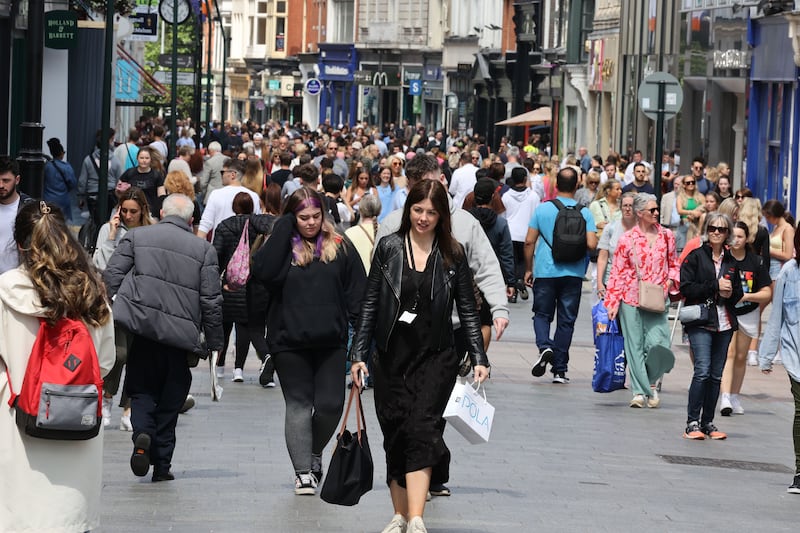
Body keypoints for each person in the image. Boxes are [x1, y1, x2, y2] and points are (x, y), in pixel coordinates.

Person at [349, 180, 488, 533]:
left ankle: (416, 519)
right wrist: (358, 354)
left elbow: (469, 310)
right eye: (418, 210)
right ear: (408, 209)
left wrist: (479, 356)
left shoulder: (453, 254)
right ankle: (398, 516)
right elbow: (370, 303)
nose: (423, 218)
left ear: (441, 215)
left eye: (431, 212)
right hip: (391, 357)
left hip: (436, 358)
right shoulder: (389, 248)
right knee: (396, 433)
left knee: (422, 431)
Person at [0, 200, 115, 531]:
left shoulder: (6, 291)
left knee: (18, 515)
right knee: (67, 518)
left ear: (20, 244)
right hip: (75, 422)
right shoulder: (92, 292)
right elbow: (104, 362)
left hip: (18, 423)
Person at [250, 187, 366, 495]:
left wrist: (362, 347)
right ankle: (303, 471)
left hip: (331, 340)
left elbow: (359, 294)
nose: (311, 223)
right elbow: (261, 272)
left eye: (316, 216)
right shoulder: (281, 246)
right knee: (299, 404)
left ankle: (312, 451)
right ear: (292, 216)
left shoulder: (339, 244)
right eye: (303, 217)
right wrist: (285, 226)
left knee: (330, 405)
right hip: (288, 340)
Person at [103, 193, 224, 481]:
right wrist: (215, 341)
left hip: (143, 332)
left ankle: (142, 434)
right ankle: (162, 465)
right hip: (180, 339)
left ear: (161, 211)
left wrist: (115, 308)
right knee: (171, 400)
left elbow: (111, 277)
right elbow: (211, 300)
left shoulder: (137, 237)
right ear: (192, 220)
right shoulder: (203, 250)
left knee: (141, 390)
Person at [605, 193, 680, 408]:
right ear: (640, 213)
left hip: (658, 297)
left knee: (659, 344)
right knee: (635, 345)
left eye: (657, 210)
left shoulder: (667, 236)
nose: (657, 213)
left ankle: (650, 383)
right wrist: (612, 302)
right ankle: (640, 391)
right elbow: (617, 271)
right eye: (652, 210)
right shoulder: (626, 239)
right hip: (630, 297)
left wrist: (670, 283)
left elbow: (674, 264)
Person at [525, 167, 598, 383]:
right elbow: (592, 244)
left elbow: (529, 241)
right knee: (566, 320)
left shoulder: (542, 209)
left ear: (556, 185)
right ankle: (560, 369)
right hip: (573, 273)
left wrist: (528, 268)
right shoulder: (585, 212)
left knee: (542, 314)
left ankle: (544, 346)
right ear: (577, 185)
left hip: (546, 271)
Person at [93, 187, 155, 430]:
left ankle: (128, 407)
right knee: (118, 354)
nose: (128, 216)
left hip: (142, 301)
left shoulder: (150, 231)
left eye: (133, 211)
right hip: (114, 301)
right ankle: (107, 398)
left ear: (143, 211)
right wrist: (111, 236)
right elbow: (101, 265)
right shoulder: (108, 230)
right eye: (124, 210)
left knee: (138, 356)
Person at [680, 212, 743, 440]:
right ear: (707, 230)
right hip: (701, 321)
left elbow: (738, 293)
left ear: (727, 234)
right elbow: (686, 288)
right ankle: (692, 421)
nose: (716, 232)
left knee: (716, 375)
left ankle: (708, 422)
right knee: (702, 371)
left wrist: (730, 292)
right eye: (713, 228)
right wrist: (714, 286)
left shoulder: (731, 262)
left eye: (722, 229)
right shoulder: (696, 257)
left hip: (724, 323)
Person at [212, 192, 275, 384]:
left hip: (230, 283)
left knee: (225, 325)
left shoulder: (225, 226)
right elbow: (272, 224)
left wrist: (217, 280)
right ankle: (239, 368)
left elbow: (216, 254)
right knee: (245, 327)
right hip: (253, 282)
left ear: (234, 207)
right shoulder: (258, 224)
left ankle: (220, 366)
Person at [758, 227, 800, 493]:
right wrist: (767, 355)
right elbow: (777, 318)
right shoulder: (789, 272)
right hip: (796, 356)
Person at [719, 221, 772, 415]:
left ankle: (734, 395)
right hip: (726, 310)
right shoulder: (723, 259)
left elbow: (767, 292)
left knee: (741, 356)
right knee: (730, 353)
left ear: (747, 238)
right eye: (733, 236)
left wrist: (748, 296)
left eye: (740, 236)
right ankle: (724, 397)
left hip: (748, 311)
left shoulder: (755, 262)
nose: (736, 240)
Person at [197, 159, 262, 239]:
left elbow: (205, 224)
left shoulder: (216, 194)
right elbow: (258, 224)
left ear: (233, 175)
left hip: (219, 245)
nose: (221, 175)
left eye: (223, 172)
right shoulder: (253, 196)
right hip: (245, 247)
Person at [502, 166, 540, 302]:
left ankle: (512, 288)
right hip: (527, 233)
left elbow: (503, 215)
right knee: (524, 261)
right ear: (525, 179)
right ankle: (521, 280)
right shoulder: (533, 196)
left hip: (510, 233)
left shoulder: (506, 196)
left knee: (511, 261)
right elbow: (537, 215)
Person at [78, 128, 123, 228]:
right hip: (110, 195)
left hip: (92, 195)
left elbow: (82, 181)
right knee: (107, 220)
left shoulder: (88, 160)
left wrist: (81, 197)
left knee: (95, 220)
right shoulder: (115, 161)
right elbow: (119, 180)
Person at [596, 192, 637, 300]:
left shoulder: (643, 229)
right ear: (621, 207)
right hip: (611, 283)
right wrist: (599, 283)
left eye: (631, 206)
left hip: (635, 286)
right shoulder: (610, 228)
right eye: (625, 206)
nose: (628, 209)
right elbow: (602, 258)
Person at [0, 156, 33, 275]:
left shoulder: (29, 209)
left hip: (18, 281)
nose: (1, 185)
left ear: (17, 179)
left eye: (6, 180)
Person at [119, 146, 166, 219]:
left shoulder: (157, 175)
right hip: (132, 211)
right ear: (137, 159)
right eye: (142, 158)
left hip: (150, 212)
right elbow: (119, 190)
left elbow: (161, 196)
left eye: (147, 158)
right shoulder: (129, 173)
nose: (144, 160)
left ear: (150, 159)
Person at [43, 137, 77, 222]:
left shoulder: (47, 166)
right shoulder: (67, 167)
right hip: (63, 200)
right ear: (61, 153)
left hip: (48, 200)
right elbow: (73, 183)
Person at [762, 199, 796, 283]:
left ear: (774, 214)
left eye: (768, 217)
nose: (767, 219)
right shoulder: (776, 227)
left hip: (778, 269)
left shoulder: (788, 229)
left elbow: (788, 255)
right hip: (770, 265)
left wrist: (768, 250)